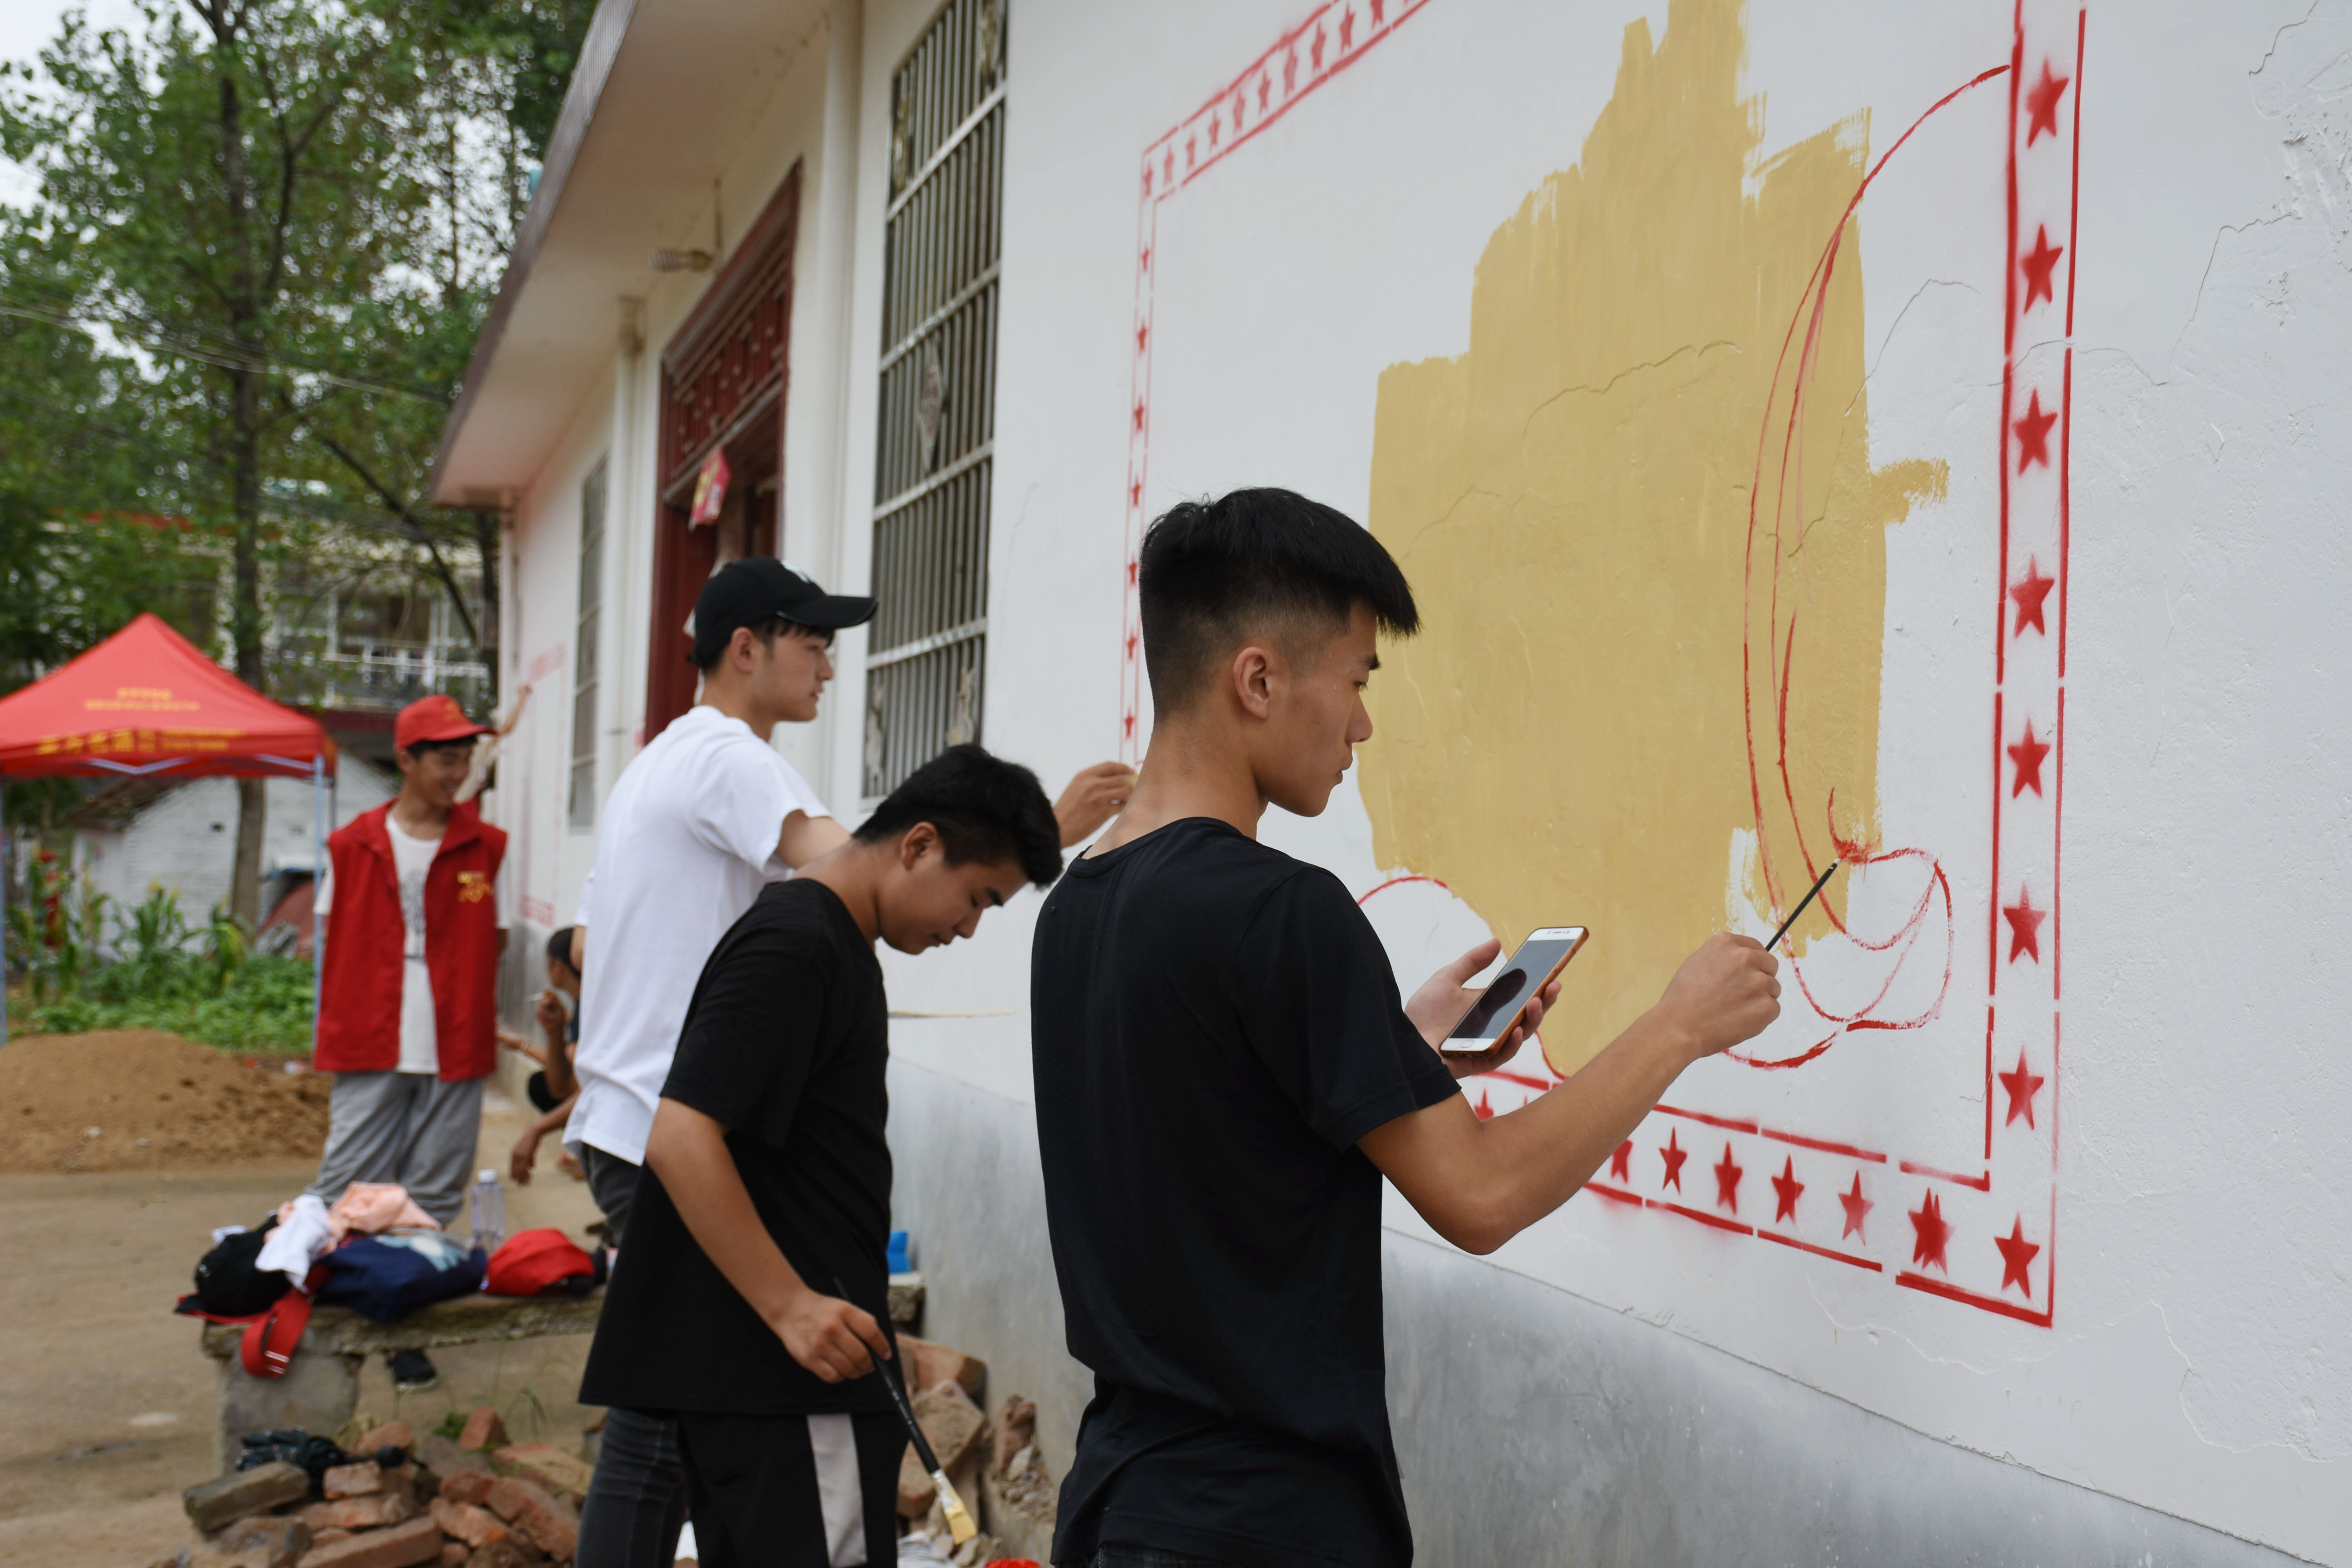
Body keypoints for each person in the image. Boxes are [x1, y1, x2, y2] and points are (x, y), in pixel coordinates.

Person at [1030, 489, 1784, 1568]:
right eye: (1357, 679)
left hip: (1120, 1501)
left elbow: (1209, 1121)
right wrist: (1677, 1026)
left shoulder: (1078, 906)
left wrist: (1396, 1053)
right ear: (1258, 679)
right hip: (1265, 1526)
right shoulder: (1282, 912)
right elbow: (1479, 1196)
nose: (1364, 723)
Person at [566, 557, 1128, 1568]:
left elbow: (594, 942)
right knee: (666, 1451)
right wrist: (1029, 829)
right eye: (815, 644)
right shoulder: (756, 821)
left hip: (671, 1140)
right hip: (706, 1184)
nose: (828, 668)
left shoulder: (678, 783)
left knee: (665, 1444)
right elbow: (845, 850)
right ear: (748, 646)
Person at [311, 692, 514, 1394]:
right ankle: (323, 1313)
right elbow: (331, 940)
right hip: (370, 1034)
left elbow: (497, 937)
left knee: (431, 1189)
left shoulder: (486, 847)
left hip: (455, 1040)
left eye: (464, 757)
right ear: (406, 759)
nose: (456, 770)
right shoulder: (352, 843)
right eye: (443, 757)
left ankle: (403, 1331)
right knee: (348, 1184)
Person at [501, 926, 583, 1187]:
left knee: (541, 1086)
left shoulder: (591, 1009)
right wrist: (555, 1030)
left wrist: (537, 1129)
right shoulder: (581, 1006)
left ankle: (586, 1155)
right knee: (543, 1084)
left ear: (558, 967)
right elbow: (561, 1083)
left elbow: (579, 1085)